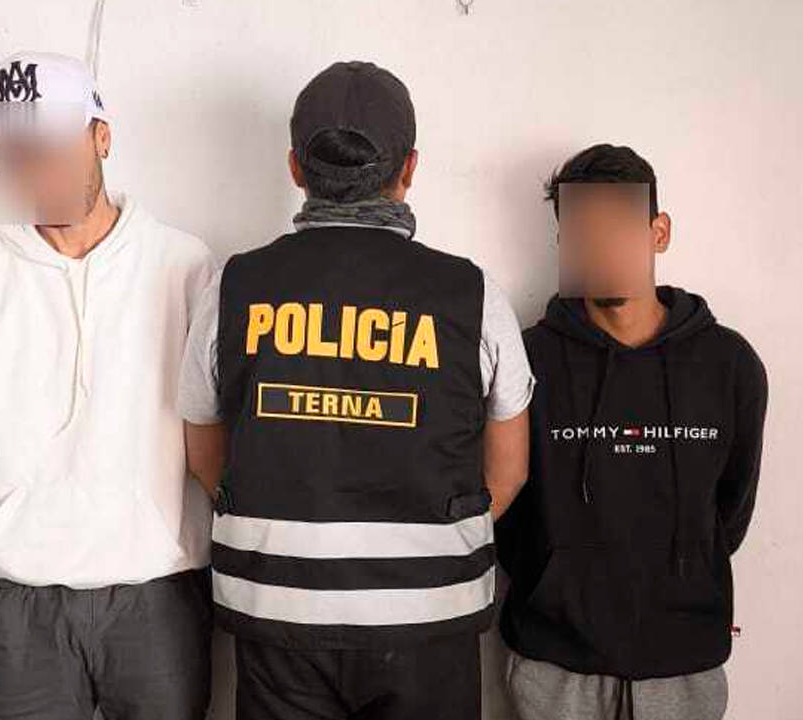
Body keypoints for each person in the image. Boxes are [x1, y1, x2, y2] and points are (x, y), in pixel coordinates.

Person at [177, 60, 535, 720]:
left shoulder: (233, 287)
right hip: (430, 621)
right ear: (410, 168)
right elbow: (508, 473)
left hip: (277, 616)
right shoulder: (473, 294)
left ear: (296, 167)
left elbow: (204, 457)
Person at [0, 51, 215, 720]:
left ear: (101, 137)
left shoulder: (183, 264)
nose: (37, 170)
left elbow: (207, 423)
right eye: (15, 154)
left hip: (157, 589)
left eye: (53, 146)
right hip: (21, 593)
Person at [496, 144, 769, 720]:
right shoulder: (526, 358)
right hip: (555, 665)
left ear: (658, 232)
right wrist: (554, 579)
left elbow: (730, 511)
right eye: (584, 233)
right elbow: (505, 501)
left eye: (618, 227)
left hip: (684, 665)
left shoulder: (729, 365)